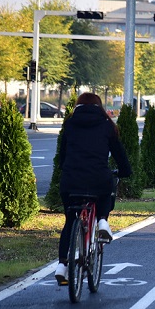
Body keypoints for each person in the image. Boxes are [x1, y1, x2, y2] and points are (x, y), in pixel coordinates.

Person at [55, 92, 132, 285]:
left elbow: (62, 158)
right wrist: (124, 171)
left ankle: (62, 266)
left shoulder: (70, 125)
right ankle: (103, 221)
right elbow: (120, 155)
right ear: (99, 107)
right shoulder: (107, 126)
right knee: (108, 187)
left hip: (71, 181)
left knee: (69, 221)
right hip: (98, 179)